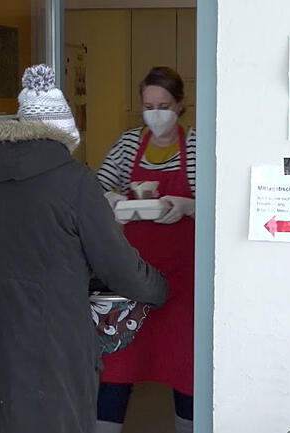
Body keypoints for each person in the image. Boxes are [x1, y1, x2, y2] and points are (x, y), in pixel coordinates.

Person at [0, 64, 168, 433]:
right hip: (49, 357)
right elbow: (117, 267)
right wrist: (158, 287)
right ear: (63, 136)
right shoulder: (74, 181)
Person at [95, 66, 196, 433]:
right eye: (149, 105)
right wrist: (109, 198)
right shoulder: (127, 145)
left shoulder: (196, 146)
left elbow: (214, 202)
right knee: (118, 362)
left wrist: (187, 206)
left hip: (182, 280)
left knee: (184, 364)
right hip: (131, 277)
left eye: (164, 105)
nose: (156, 113)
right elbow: (95, 188)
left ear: (180, 105)